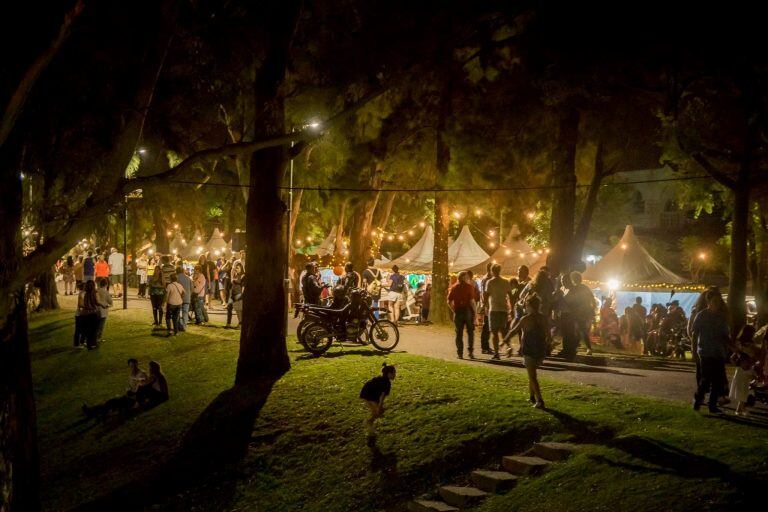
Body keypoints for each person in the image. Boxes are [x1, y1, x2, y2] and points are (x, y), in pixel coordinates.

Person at [505, 294, 548, 409]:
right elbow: (548, 335)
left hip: (529, 350)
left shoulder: (526, 319)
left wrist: (504, 340)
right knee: (532, 374)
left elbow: (514, 330)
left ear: (529, 305)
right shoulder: (544, 318)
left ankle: (540, 400)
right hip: (541, 350)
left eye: (526, 305)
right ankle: (531, 397)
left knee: (532, 376)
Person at [691, 291, 730, 413]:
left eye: (719, 301)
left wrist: (731, 346)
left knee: (718, 380)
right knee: (706, 379)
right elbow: (694, 333)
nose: (717, 304)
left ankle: (712, 405)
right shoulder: (701, 315)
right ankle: (698, 399)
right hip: (705, 351)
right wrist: (694, 350)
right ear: (708, 301)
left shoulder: (721, 317)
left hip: (718, 352)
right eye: (714, 301)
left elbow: (725, 335)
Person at [82, 359, 148, 419]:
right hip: (130, 396)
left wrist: (135, 389)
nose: (133, 367)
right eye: (131, 366)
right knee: (110, 403)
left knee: (112, 402)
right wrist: (128, 389)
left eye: (134, 365)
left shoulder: (142, 373)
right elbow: (131, 386)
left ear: (137, 364)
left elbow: (143, 384)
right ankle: (92, 412)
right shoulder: (131, 375)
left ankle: (92, 412)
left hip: (136, 398)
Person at [484, 263, 513, 360]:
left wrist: (485, 306)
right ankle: (508, 346)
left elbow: (486, 295)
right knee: (503, 330)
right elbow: (510, 295)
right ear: (500, 271)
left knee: (494, 332)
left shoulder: (490, 282)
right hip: (503, 309)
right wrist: (511, 308)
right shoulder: (506, 281)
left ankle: (496, 353)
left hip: (494, 309)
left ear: (492, 271)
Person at [359, 363, 396, 437]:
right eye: (393, 373)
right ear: (388, 374)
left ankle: (371, 424)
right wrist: (380, 406)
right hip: (368, 394)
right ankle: (369, 424)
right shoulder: (386, 383)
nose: (395, 375)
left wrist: (380, 406)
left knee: (379, 412)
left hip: (372, 394)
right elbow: (382, 397)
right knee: (376, 412)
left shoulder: (383, 380)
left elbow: (380, 395)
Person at [447, 270, 478, 359]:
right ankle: (470, 352)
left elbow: (449, 301)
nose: (468, 278)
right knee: (470, 332)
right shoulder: (469, 287)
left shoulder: (454, 287)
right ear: (463, 278)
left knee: (459, 333)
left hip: (458, 312)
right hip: (467, 311)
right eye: (467, 277)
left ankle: (460, 353)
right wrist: (475, 313)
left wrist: (454, 310)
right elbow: (472, 301)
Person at [565, 272, 595, 356]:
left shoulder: (576, 288)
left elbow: (568, 299)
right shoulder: (585, 287)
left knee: (581, 330)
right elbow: (592, 299)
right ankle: (578, 347)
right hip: (583, 312)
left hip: (580, 313)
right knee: (579, 330)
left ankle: (588, 348)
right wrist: (592, 309)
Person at [729, 352, 755, 416]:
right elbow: (731, 358)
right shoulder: (738, 367)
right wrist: (735, 352)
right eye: (743, 362)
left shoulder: (749, 369)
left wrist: (752, 379)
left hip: (745, 385)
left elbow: (753, 377)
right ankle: (743, 410)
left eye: (746, 362)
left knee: (743, 398)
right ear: (740, 362)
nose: (744, 363)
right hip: (738, 385)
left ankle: (738, 410)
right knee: (742, 398)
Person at [77, 281, 101, 349]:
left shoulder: (83, 293)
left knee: (87, 329)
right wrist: (102, 305)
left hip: (85, 314)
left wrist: (86, 306)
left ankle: (88, 344)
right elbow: (97, 302)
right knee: (94, 330)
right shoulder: (95, 293)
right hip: (94, 313)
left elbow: (80, 305)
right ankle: (93, 344)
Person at [479, 262, 493, 355]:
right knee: (486, 326)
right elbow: (484, 293)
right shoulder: (487, 279)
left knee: (488, 327)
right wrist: (484, 305)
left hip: (489, 304)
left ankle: (486, 346)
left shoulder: (487, 278)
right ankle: (484, 347)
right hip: (488, 305)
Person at [226, 263, 245, 328]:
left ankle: (240, 324)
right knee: (229, 307)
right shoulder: (235, 275)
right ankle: (228, 323)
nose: (236, 269)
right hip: (232, 294)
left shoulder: (243, 276)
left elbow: (243, 286)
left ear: (241, 268)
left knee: (238, 310)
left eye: (237, 268)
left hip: (238, 294)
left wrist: (242, 295)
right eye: (236, 268)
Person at [96, 278, 113, 343]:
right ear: (106, 284)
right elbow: (110, 302)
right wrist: (108, 305)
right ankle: (98, 338)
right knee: (101, 326)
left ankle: (94, 337)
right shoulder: (106, 292)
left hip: (96, 311)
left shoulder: (96, 291)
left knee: (96, 325)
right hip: (103, 311)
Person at [176, 266, 192, 331]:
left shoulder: (176, 278)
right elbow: (192, 289)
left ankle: (178, 325)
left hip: (178, 298)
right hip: (187, 298)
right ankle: (184, 326)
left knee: (177, 313)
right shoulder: (188, 278)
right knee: (185, 312)